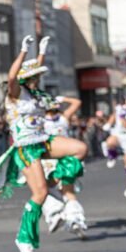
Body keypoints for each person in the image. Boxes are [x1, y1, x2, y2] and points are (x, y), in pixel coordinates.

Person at [0, 35, 87, 252]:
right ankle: (23, 238)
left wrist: (41, 52)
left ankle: (55, 182)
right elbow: (12, 76)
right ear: (26, 78)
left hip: (43, 140)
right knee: (39, 194)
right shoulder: (15, 93)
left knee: (79, 149)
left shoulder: (35, 93)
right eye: (33, 76)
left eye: (37, 76)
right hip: (25, 148)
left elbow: (36, 70)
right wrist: (23, 50)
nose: (37, 79)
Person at [41, 95, 88, 238]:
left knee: (51, 189)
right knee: (65, 190)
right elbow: (77, 102)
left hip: (61, 160)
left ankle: (63, 217)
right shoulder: (44, 120)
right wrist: (63, 99)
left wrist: (63, 99)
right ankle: (70, 218)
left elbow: (77, 102)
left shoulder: (61, 118)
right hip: (56, 160)